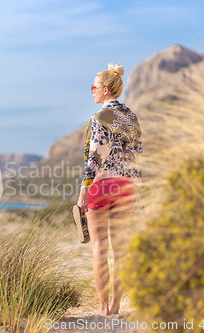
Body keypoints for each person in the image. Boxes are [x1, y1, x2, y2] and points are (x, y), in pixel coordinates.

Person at [76, 63, 143, 316]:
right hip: (125, 186)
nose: (91, 91)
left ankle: (103, 308)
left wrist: (84, 188)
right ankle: (117, 305)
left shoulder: (99, 118)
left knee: (99, 249)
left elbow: (96, 156)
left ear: (105, 90)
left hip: (101, 186)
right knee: (121, 249)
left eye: (94, 87)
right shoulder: (131, 118)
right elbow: (138, 157)